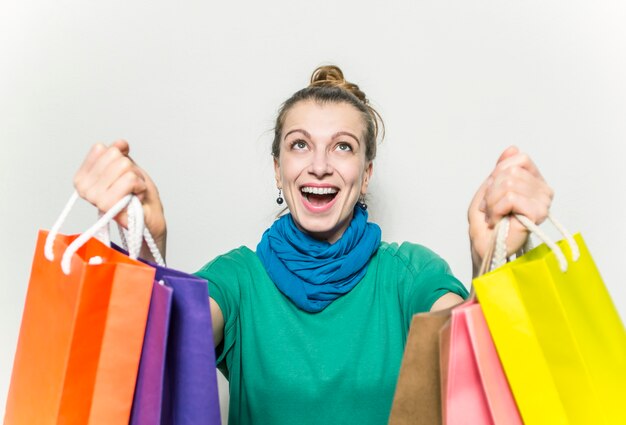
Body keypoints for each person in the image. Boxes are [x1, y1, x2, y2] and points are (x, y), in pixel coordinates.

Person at [73, 65, 553, 424]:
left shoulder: (409, 274)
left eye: (343, 146)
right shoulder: (238, 280)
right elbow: (160, 355)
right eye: (300, 144)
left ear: (365, 176)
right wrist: (141, 249)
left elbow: (474, 361)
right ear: (278, 170)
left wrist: (495, 261)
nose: (320, 165)